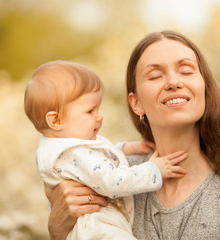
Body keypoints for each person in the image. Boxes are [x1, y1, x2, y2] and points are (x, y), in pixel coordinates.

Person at [45, 31, 220, 240]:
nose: (173, 82)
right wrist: (58, 231)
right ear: (136, 103)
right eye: (155, 75)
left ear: (204, 89)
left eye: (185, 71)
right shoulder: (107, 178)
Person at [24, 60, 188, 240]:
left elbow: (95, 160)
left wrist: (125, 148)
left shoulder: (63, 146)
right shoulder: (71, 153)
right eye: (90, 111)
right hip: (98, 230)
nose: (99, 116)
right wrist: (154, 170)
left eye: (98, 108)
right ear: (55, 121)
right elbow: (112, 181)